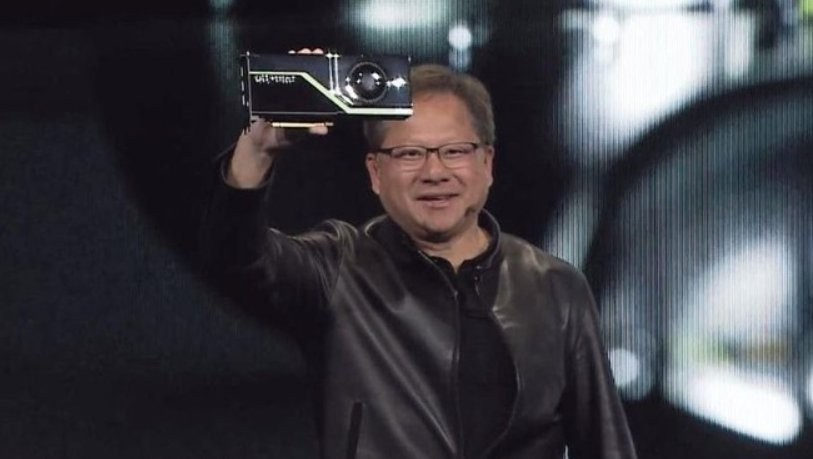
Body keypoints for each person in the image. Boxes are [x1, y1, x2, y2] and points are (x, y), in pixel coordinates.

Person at [200, 60, 638, 459]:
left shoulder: (555, 287)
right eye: (410, 154)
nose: (434, 172)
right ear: (375, 173)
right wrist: (257, 152)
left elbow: (606, 445)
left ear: (487, 164)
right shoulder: (339, 268)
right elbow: (235, 258)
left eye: (455, 151)